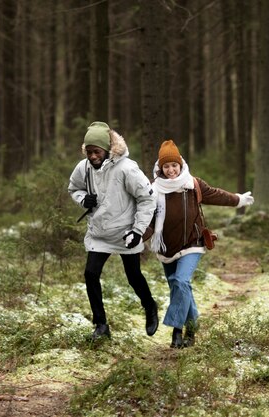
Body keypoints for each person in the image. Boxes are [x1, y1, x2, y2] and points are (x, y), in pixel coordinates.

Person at [145, 140, 254, 348]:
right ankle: (192, 329)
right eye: (166, 166)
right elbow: (147, 221)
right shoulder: (153, 189)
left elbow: (215, 194)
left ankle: (177, 331)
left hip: (192, 243)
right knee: (179, 287)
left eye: (174, 165)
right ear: (160, 168)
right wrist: (134, 238)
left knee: (181, 281)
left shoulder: (192, 184)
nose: (170, 170)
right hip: (166, 246)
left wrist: (238, 199)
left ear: (180, 164)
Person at [68, 121, 159, 340]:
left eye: (96, 151)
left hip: (126, 233)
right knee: (91, 274)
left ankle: (150, 307)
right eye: (88, 152)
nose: (92, 156)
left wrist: (138, 231)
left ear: (107, 149)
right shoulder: (83, 168)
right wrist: (83, 199)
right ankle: (101, 326)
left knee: (133, 277)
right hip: (99, 232)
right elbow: (74, 188)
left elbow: (147, 199)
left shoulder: (127, 168)